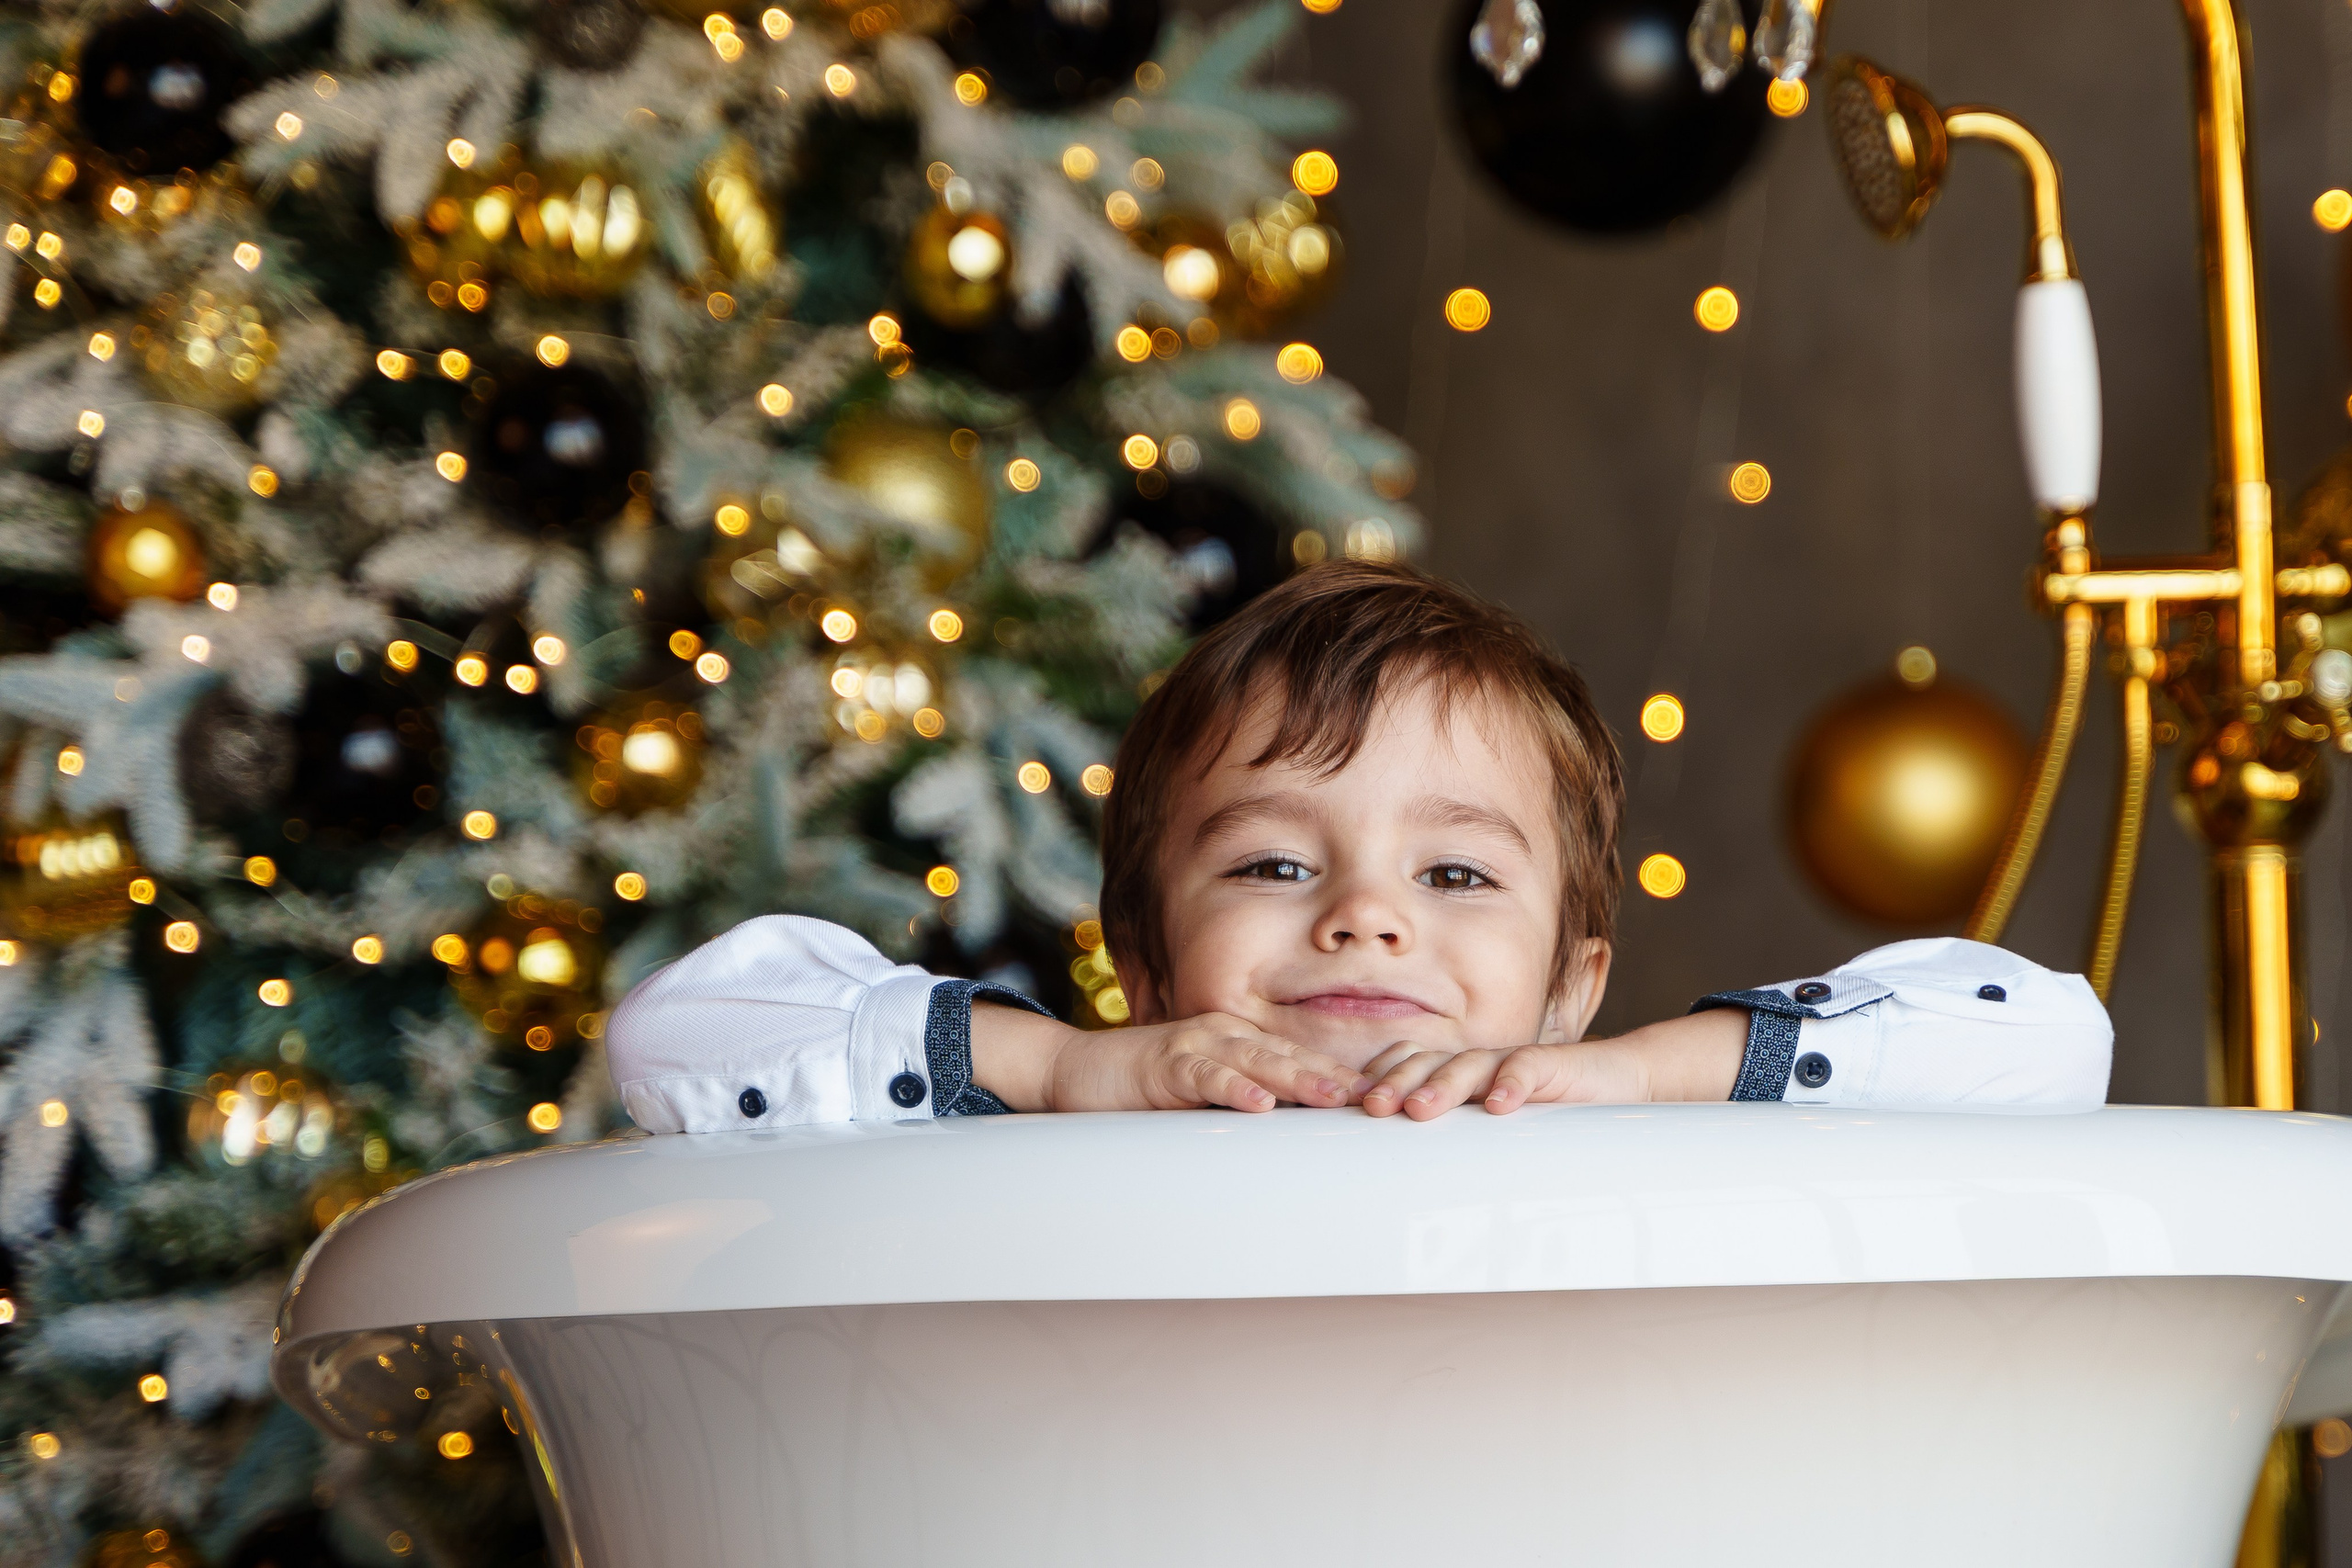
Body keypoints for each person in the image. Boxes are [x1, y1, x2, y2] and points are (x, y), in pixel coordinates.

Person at [606, 561, 2109, 1133]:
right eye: (1273, 865)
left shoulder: (1630, 1117)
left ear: (1573, 983)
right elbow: (671, 1041)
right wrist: (1057, 1067)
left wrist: (1643, 1072)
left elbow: (2051, 1047)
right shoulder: (1067, 1116)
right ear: (1140, 963)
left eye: (1456, 874)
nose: (1365, 919)